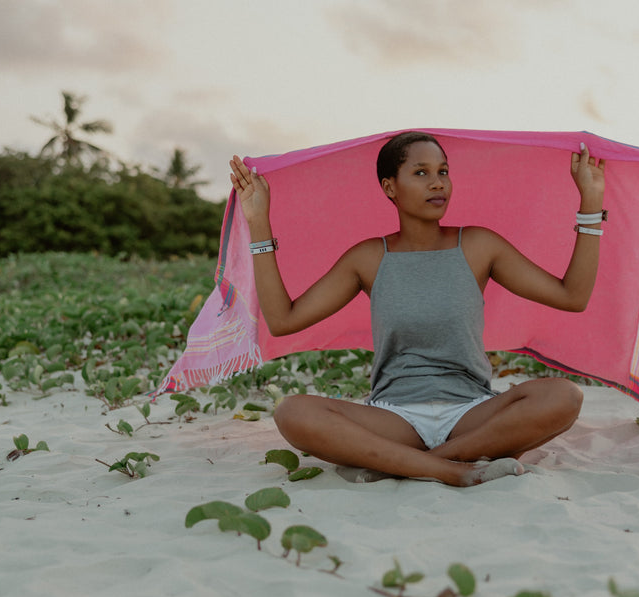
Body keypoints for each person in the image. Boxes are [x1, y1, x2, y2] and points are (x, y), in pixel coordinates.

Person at [229, 131, 606, 487]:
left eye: (443, 171)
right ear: (389, 187)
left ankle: (413, 464)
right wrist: (258, 222)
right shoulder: (368, 258)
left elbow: (572, 296)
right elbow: (282, 320)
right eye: (421, 172)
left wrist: (590, 203)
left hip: (471, 413)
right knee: (292, 412)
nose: (437, 183)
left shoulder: (479, 246)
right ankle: (455, 472)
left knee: (563, 396)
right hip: (394, 417)